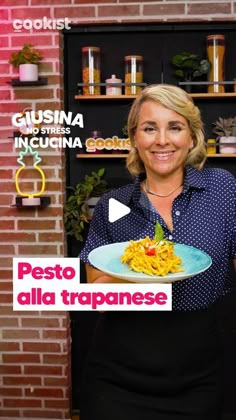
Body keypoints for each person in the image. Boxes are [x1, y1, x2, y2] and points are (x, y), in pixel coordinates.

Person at [79, 84, 236, 420]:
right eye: (149, 128)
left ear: (192, 137)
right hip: (117, 378)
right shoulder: (113, 205)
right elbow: (97, 292)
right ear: (135, 138)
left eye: (175, 127)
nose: (162, 140)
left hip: (199, 374)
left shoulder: (222, 188)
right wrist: (143, 278)